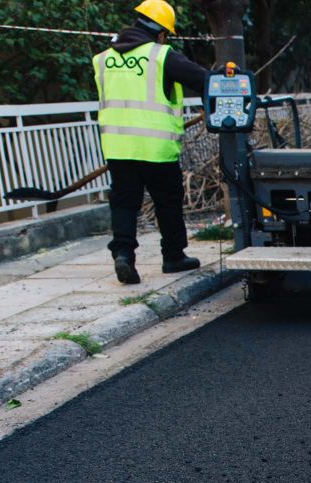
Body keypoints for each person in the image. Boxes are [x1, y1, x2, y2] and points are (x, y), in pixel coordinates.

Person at [93, 0, 210, 284]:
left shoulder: (103, 59)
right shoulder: (161, 56)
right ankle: (173, 256)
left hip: (118, 147)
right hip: (156, 148)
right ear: (160, 33)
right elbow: (205, 79)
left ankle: (123, 254)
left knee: (123, 202)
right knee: (167, 202)